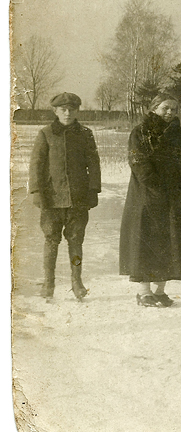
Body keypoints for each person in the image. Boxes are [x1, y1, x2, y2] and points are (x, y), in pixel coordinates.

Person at [119, 93, 181, 307]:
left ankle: (160, 290)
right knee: (147, 242)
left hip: (173, 199)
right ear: (154, 108)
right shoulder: (140, 132)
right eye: (165, 108)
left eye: (174, 109)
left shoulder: (176, 134)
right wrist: (159, 188)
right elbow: (139, 164)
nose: (170, 112)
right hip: (148, 196)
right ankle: (144, 292)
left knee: (170, 242)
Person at [28, 92, 101, 300]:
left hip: (78, 200)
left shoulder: (85, 134)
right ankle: (48, 282)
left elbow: (93, 164)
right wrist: (36, 192)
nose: (67, 113)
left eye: (71, 109)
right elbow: (36, 166)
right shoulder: (46, 133)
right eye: (63, 110)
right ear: (55, 111)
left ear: (77, 111)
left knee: (76, 241)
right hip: (52, 199)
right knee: (51, 240)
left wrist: (93, 189)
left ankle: (76, 281)